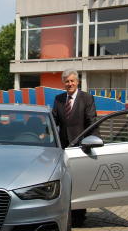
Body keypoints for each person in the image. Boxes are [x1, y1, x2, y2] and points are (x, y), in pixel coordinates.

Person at [52, 69, 100, 227]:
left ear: (77, 82)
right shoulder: (59, 99)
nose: (69, 84)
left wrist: (91, 143)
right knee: (65, 182)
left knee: (80, 182)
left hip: (81, 148)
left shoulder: (86, 98)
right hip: (62, 149)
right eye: (66, 81)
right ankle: (65, 212)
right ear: (63, 83)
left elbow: (92, 122)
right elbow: (54, 121)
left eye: (72, 81)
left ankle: (79, 217)